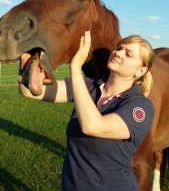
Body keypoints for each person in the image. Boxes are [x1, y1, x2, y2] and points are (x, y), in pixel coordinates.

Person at [19, 31, 155, 191]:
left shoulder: (141, 107)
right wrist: (26, 62)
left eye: (128, 54)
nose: (118, 53)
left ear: (140, 71)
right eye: (119, 48)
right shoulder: (88, 86)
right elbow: (30, 91)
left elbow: (93, 126)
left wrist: (75, 68)